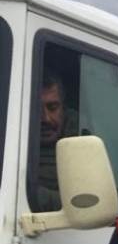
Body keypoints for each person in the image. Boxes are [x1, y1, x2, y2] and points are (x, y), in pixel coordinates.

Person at [35, 70, 79, 211]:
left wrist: (32, 194)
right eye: (36, 109)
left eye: (53, 107)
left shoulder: (85, 139)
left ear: (63, 107)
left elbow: (87, 205)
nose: (45, 118)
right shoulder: (9, 144)